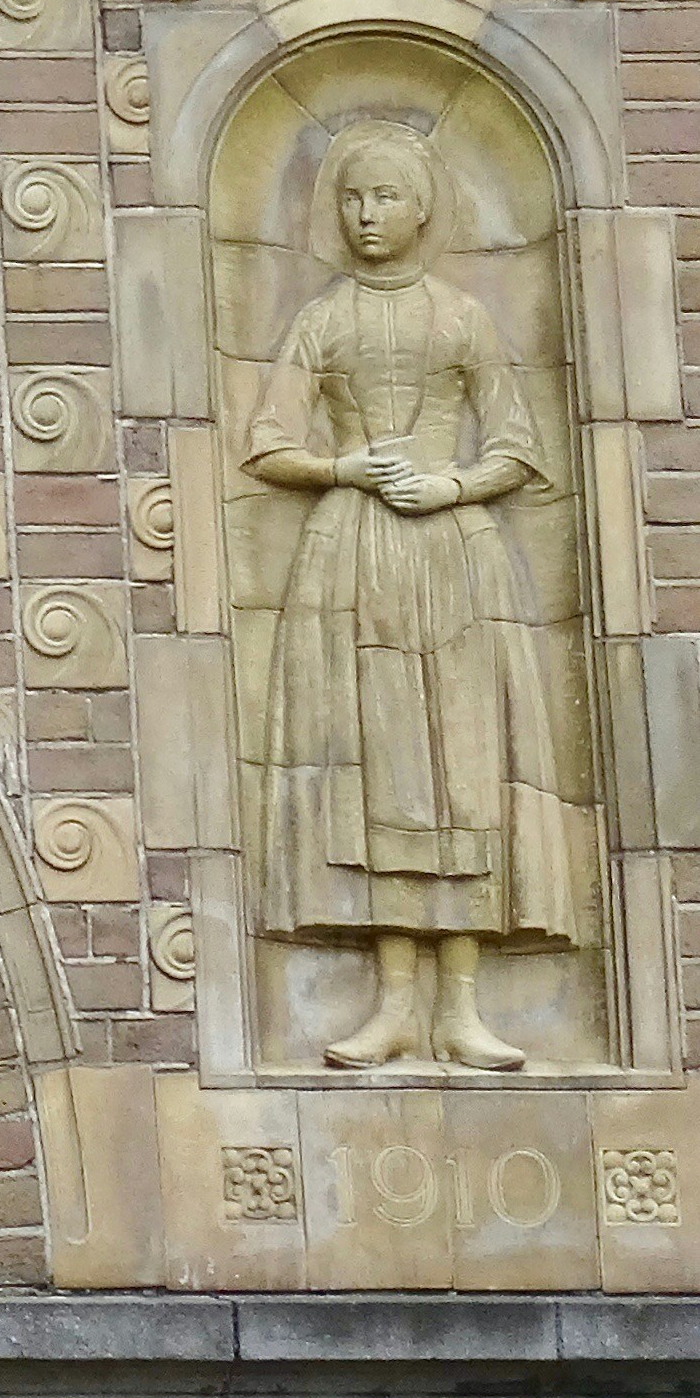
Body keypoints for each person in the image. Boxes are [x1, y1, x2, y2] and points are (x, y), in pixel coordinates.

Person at [240, 120, 590, 1071]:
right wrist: (341, 466)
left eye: (385, 197)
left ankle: (465, 1004)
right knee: (376, 762)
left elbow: (518, 444)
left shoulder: (460, 318)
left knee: (464, 766)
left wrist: (452, 485)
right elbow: (266, 442)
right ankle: (395, 1001)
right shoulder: (323, 318)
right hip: (350, 557)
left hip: (456, 558)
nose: (366, 216)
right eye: (352, 199)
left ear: (422, 209)